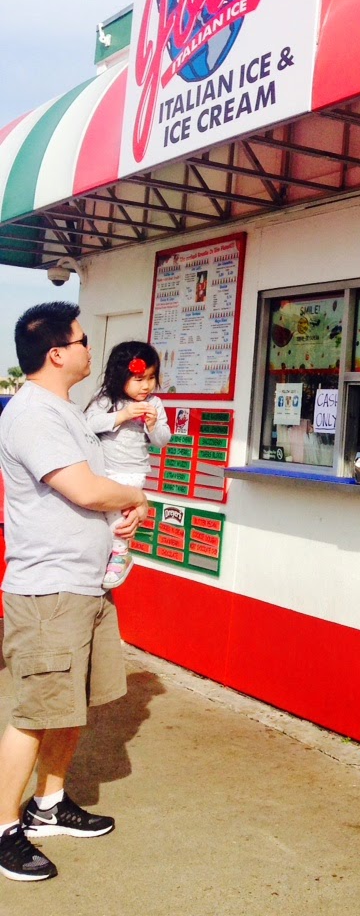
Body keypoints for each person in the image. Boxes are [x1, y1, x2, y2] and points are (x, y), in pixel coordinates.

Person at [0, 302, 149, 883]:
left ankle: (48, 806)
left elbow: (91, 494)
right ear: (57, 352)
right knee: (35, 712)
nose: (93, 350)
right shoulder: (34, 413)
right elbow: (84, 489)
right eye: (84, 341)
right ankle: (5, 825)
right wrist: (132, 500)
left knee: (70, 704)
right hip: (48, 591)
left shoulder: (67, 412)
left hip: (82, 586)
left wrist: (121, 512)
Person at [85, 342, 170, 589]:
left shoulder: (155, 404)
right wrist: (123, 415)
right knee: (102, 517)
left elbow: (162, 441)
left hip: (132, 473)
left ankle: (121, 555)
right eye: (139, 378)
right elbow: (88, 424)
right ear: (120, 375)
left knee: (119, 518)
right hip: (102, 470)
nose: (146, 385)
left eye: (151, 377)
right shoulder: (106, 400)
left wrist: (153, 426)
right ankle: (106, 555)